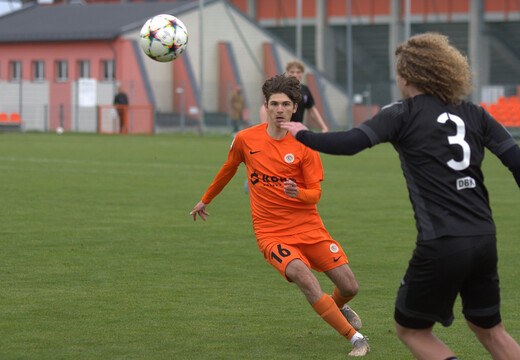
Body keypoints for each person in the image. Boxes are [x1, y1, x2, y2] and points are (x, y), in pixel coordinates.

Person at [282, 33, 520, 360]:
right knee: (490, 329)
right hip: (484, 238)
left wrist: (302, 134)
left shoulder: (402, 113)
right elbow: (517, 162)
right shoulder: (475, 113)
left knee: (411, 330)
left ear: (406, 77)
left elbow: (351, 142)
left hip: (442, 242)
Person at [190, 74, 370, 357]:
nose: (279, 110)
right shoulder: (246, 139)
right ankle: (356, 338)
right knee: (302, 274)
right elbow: (228, 169)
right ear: (266, 105)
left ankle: (338, 307)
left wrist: (297, 193)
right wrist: (205, 199)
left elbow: (315, 194)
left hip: (309, 227)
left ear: (294, 108)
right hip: (271, 233)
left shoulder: (306, 144)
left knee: (349, 285)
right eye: (274, 104)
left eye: (285, 104)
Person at [260, 60, 329, 133]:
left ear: (302, 73)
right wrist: (264, 127)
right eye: (292, 72)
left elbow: (312, 110)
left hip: (296, 130)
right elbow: (265, 108)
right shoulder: (281, 88)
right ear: (287, 73)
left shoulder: (305, 90)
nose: (295, 74)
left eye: (298, 72)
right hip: (281, 130)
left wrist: (323, 126)